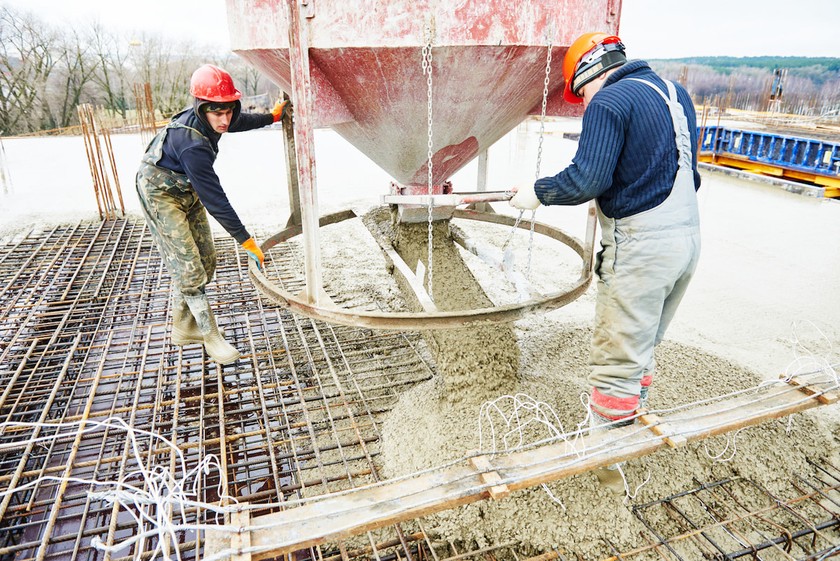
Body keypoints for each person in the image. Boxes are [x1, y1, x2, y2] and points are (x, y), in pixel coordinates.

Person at [510, 32, 701, 427]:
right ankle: (633, 423)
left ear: (589, 73)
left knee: (617, 363)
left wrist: (537, 192)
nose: (585, 105)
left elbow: (586, 180)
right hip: (686, 243)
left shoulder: (609, 101)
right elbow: (690, 176)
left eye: (581, 96)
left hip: (640, 251)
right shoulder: (675, 93)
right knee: (642, 345)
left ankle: (608, 467)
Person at [136, 63, 290, 365]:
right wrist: (245, 240)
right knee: (190, 268)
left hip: (185, 188)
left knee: (207, 260)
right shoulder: (192, 144)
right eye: (217, 113)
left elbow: (239, 121)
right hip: (160, 194)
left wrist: (271, 117)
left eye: (228, 110)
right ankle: (209, 336)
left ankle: (183, 326)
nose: (225, 119)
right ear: (201, 107)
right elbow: (215, 199)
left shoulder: (216, 119)